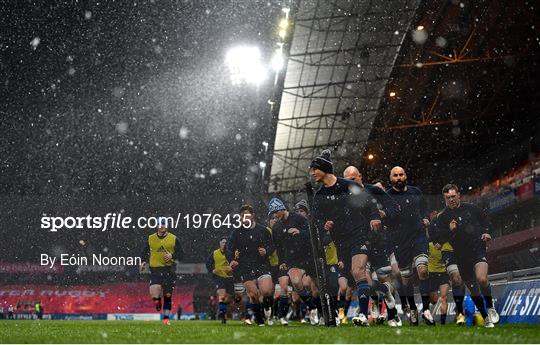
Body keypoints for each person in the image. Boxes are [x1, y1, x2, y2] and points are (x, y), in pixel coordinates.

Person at [309, 149, 391, 327]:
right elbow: (316, 219)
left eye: (314, 168)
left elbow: (369, 202)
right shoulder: (319, 195)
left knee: (358, 271)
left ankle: (363, 314)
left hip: (359, 233)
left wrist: (374, 216)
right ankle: (383, 289)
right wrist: (324, 225)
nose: (312, 172)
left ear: (324, 168)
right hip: (340, 240)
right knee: (352, 279)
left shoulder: (347, 185)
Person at [431, 184, 499, 328]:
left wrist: (487, 232)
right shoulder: (442, 217)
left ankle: (490, 305)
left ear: (459, 195)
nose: (451, 200)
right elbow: (439, 241)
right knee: (473, 289)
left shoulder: (472, 208)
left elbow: (486, 220)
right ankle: (486, 317)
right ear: (444, 198)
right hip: (461, 256)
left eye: (453, 196)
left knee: (482, 279)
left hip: (477, 250)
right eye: (448, 197)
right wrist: (450, 230)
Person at [343, 166, 401, 326]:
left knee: (384, 278)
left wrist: (384, 214)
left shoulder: (374, 191)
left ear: (360, 176)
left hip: (379, 241)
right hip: (359, 242)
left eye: (352, 179)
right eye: (346, 179)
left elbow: (395, 208)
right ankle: (363, 314)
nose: (349, 182)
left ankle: (392, 314)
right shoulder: (345, 196)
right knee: (361, 276)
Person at [386, 166, 434, 326]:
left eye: (401, 174)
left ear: (405, 176)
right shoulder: (387, 196)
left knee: (423, 270)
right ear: (391, 178)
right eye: (395, 175)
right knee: (406, 280)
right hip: (400, 243)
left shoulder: (416, 192)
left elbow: (425, 209)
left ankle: (426, 310)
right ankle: (412, 308)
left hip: (418, 237)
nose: (399, 177)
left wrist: (426, 218)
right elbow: (385, 218)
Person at [270, 197, 320, 326]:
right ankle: (312, 307)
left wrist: (300, 232)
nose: (275, 216)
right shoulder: (276, 227)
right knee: (297, 282)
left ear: (281, 209)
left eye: (276, 213)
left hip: (308, 256)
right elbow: (278, 246)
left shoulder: (299, 218)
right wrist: (282, 261)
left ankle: (326, 312)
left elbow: (312, 234)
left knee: (318, 287)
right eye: (273, 214)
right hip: (292, 259)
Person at [226, 204, 275, 326]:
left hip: (262, 265)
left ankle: (268, 309)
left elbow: (272, 245)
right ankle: (259, 319)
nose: (244, 217)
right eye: (242, 215)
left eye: (246, 215)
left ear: (253, 216)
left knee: (266, 292)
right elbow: (229, 248)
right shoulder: (236, 233)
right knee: (253, 295)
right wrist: (231, 259)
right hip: (245, 267)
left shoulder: (263, 230)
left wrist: (266, 251)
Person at [140, 216, 184, 325]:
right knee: (155, 294)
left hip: (169, 271)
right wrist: (143, 262)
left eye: (164, 224)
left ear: (167, 225)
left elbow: (182, 254)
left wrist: (172, 255)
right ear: (157, 226)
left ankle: (166, 319)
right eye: (160, 224)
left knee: (168, 296)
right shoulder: (151, 238)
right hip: (155, 271)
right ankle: (157, 302)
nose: (162, 226)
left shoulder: (174, 238)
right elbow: (144, 252)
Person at [206, 238, 234, 324]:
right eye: (223, 242)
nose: (224, 244)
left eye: (226, 243)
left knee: (229, 298)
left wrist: (232, 267)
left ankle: (223, 308)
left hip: (230, 278)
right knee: (222, 294)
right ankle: (222, 314)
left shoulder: (231, 254)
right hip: (219, 277)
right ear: (220, 243)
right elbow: (208, 263)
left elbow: (236, 263)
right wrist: (212, 269)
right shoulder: (214, 253)